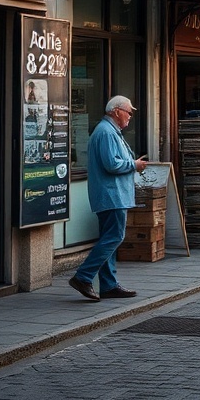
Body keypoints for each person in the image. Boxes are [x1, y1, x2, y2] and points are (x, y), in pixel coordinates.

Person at [69, 95, 148, 301]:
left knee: (109, 238)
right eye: (128, 112)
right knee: (114, 237)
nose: (130, 116)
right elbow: (112, 164)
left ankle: (109, 284)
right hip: (112, 195)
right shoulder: (106, 132)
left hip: (113, 195)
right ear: (116, 111)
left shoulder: (110, 131)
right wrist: (134, 165)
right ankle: (83, 276)